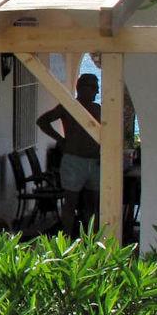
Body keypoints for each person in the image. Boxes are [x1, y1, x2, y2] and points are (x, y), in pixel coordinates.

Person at [37, 72, 102, 232]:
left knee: (92, 205)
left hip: (94, 162)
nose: (97, 92)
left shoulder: (97, 109)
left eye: (96, 88)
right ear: (82, 88)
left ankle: (91, 242)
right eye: (94, 88)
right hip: (73, 160)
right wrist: (61, 140)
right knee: (70, 203)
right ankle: (66, 239)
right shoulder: (68, 107)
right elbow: (43, 121)